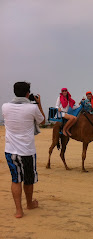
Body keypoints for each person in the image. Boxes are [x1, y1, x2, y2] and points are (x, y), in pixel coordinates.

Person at [2, 81, 45, 218]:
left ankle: (18, 210)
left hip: (10, 150)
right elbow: (42, 121)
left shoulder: (5, 107)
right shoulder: (32, 108)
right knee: (28, 179)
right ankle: (29, 203)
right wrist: (38, 103)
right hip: (27, 151)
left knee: (16, 180)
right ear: (28, 93)